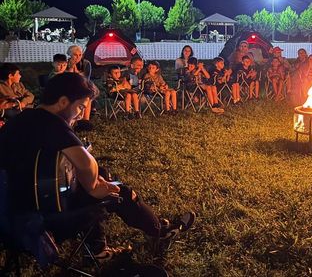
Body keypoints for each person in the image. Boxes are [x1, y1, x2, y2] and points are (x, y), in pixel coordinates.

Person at [0, 72, 195, 262]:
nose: (79, 115)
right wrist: (94, 187)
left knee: (98, 177)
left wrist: (94, 180)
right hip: (42, 221)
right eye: (79, 108)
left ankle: (98, 249)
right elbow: (86, 162)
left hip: (12, 216)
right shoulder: (53, 124)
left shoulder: (23, 119)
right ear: (63, 102)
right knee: (119, 192)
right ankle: (160, 231)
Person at [67, 45, 93, 127]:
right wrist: (71, 67)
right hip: (69, 87)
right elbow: (66, 78)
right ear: (70, 55)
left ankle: (85, 120)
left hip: (83, 85)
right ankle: (77, 120)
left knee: (88, 95)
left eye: (80, 55)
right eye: (75, 55)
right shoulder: (65, 64)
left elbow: (86, 79)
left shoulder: (86, 63)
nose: (78, 57)